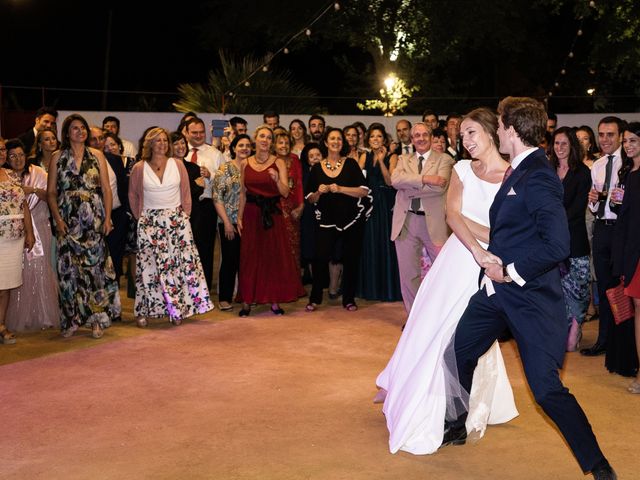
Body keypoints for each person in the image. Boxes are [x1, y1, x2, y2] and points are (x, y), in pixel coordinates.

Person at [446, 97, 614, 480]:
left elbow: (557, 245)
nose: (497, 130)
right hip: (494, 294)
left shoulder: (537, 174)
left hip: (530, 298)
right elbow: (514, 231)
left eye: (500, 124)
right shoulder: (519, 169)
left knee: (545, 390)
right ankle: (456, 421)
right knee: (458, 351)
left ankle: (598, 465)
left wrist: (511, 269)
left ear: (511, 129)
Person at [375, 107, 518, 455]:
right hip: (459, 260)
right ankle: (437, 405)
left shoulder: (514, 174)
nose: (465, 141)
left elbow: (516, 225)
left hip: (492, 264)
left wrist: (493, 247)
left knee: (472, 336)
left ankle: (467, 406)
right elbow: (453, 215)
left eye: (472, 133)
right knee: (438, 329)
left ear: (490, 132)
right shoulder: (461, 169)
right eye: (463, 135)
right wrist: (482, 245)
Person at [128, 127, 213, 327]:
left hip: (176, 222)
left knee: (176, 267)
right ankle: (145, 310)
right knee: (149, 269)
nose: (163, 144)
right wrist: (141, 217)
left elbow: (186, 193)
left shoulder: (177, 164)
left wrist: (185, 216)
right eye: (158, 141)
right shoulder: (139, 167)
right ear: (149, 144)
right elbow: (132, 195)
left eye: (165, 140)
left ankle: (177, 309)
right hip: (150, 222)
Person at [46, 113, 121, 339]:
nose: (81, 132)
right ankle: (71, 320)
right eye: (75, 128)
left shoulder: (97, 155)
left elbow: (107, 189)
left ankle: (95, 320)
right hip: (67, 223)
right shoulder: (58, 157)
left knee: (95, 272)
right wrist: (58, 220)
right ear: (67, 133)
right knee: (69, 273)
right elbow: (51, 193)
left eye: (83, 128)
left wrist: (108, 218)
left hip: (94, 223)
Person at [236, 125, 305, 317]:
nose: (265, 140)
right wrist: (239, 217)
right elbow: (242, 193)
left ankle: (274, 300)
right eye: (262, 136)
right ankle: (247, 301)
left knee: (272, 258)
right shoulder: (245, 163)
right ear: (255, 139)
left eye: (268, 137)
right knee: (249, 257)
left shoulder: (279, 163)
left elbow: (285, 192)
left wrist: (276, 180)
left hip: (272, 214)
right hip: (250, 214)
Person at [391, 122, 455, 314]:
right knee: (409, 276)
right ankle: (414, 319)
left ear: (431, 137)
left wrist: (407, 189)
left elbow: (440, 188)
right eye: (416, 135)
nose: (420, 138)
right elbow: (395, 181)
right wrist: (426, 179)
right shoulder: (403, 159)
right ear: (412, 140)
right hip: (406, 222)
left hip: (434, 224)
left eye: (424, 134)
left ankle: (439, 316)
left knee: (441, 273)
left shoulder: (444, 159)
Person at [304, 127, 371, 312]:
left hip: (351, 220)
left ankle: (349, 299)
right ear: (325, 142)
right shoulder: (317, 168)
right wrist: (319, 191)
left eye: (339, 139)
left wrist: (340, 188)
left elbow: (364, 191)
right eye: (332, 139)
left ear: (343, 143)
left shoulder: (350, 164)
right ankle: (315, 298)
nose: (336, 142)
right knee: (320, 259)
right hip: (325, 221)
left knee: (351, 260)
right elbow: (310, 198)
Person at [581, 116, 626, 357]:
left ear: (620, 136)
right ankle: (604, 340)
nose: (605, 139)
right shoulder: (596, 166)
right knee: (605, 286)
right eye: (602, 134)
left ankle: (623, 343)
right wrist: (594, 202)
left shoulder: (629, 164)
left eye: (610, 134)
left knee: (623, 288)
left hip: (622, 231)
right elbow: (596, 204)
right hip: (601, 229)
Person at [4, 139, 58, 332]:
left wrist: (32, 190)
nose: (18, 159)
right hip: (16, 229)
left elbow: (52, 195)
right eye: (12, 156)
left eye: (20, 155)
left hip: (40, 225)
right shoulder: (6, 177)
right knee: (20, 272)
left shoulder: (38, 173)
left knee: (40, 269)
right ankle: (20, 315)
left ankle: (43, 315)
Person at [550, 127, 592, 351]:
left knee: (578, 287)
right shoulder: (547, 170)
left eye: (564, 144)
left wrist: (551, 223)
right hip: (550, 243)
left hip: (574, 240)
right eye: (556, 143)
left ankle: (576, 327)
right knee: (557, 290)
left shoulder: (582, 173)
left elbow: (577, 210)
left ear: (572, 146)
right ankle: (563, 328)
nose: (560, 148)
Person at [357, 123, 401, 302]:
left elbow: (390, 181)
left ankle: (387, 289)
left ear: (384, 139)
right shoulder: (363, 156)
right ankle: (369, 288)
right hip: (367, 202)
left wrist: (381, 160)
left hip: (384, 203)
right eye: (373, 136)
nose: (376, 139)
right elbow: (359, 180)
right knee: (368, 243)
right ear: (368, 139)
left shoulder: (393, 156)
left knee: (384, 243)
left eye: (379, 136)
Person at [611, 121, 640, 393]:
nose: (629, 145)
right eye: (627, 141)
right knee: (638, 312)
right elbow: (625, 220)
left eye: (633, 141)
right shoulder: (629, 175)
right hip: (633, 254)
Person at [0, 143, 36, 343]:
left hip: (14, 237)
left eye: (3, 149)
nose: (2, 153)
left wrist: (30, 233)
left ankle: (1, 325)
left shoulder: (12, 175)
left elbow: (24, 206)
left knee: (6, 286)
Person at [213, 134, 249, 311]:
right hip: (229, 222)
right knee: (230, 260)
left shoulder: (253, 168)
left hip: (250, 221)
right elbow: (217, 198)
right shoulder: (224, 169)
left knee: (248, 261)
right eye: (240, 145)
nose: (244, 148)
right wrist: (227, 223)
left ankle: (245, 296)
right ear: (234, 148)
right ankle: (225, 298)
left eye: (248, 145)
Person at [275, 132, 304, 271]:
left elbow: (299, 184)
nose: (284, 146)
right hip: (275, 208)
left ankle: (293, 281)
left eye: (286, 143)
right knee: (277, 245)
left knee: (293, 245)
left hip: (293, 208)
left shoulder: (294, 159)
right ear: (274, 145)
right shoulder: (270, 160)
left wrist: (301, 206)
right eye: (280, 143)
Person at [299, 142, 323, 285]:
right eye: (311, 156)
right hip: (309, 214)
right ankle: (313, 278)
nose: (315, 158)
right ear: (307, 160)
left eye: (318, 155)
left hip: (327, 214)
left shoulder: (330, 171)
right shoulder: (304, 175)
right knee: (310, 245)